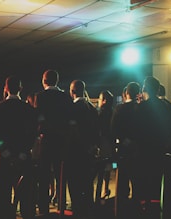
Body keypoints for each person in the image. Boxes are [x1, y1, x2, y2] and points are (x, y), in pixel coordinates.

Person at [0, 75, 38, 219]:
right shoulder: (29, 109)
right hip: (24, 155)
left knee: (4, 190)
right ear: (20, 89)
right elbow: (33, 134)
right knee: (26, 193)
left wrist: (5, 152)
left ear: (6, 88)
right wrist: (23, 152)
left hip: (4, 156)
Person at [132, 76, 171, 218]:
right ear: (158, 89)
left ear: (145, 89)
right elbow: (170, 127)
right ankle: (158, 206)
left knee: (143, 178)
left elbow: (136, 129)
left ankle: (144, 206)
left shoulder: (141, 107)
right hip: (160, 147)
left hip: (144, 148)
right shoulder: (165, 106)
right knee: (157, 178)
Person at [33, 69, 74, 215]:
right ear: (57, 80)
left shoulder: (40, 96)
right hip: (61, 140)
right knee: (60, 175)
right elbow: (71, 119)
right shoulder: (65, 97)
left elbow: (38, 118)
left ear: (44, 81)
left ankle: (43, 208)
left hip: (46, 140)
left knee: (44, 176)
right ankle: (61, 205)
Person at [67, 79, 99, 218]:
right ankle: (88, 210)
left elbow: (73, 131)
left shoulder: (73, 108)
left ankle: (78, 211)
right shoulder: (91, 107)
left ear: (72, 91)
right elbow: (97, 130)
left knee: (75, 184)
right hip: (90, 151)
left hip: (76, 152)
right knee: (87, 184)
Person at [110, 81, 141, 218]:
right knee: (137, 181)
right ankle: (136, 209)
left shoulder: (120, 109)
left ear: (126, 93)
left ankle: (121, 211)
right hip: (139, 150)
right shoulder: (142, 108)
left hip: (123, 149)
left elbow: (113, 129)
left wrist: (124, 140)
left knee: (122, 182)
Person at [96, 90, 114, 200]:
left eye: (100, 98)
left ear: (104, 101)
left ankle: (99, 192)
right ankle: (105, 188)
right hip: (110, 143)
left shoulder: (100, 113)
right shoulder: (113, 112)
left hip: (102, 142)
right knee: (108, 167)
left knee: (100, 168)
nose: (98, 100)